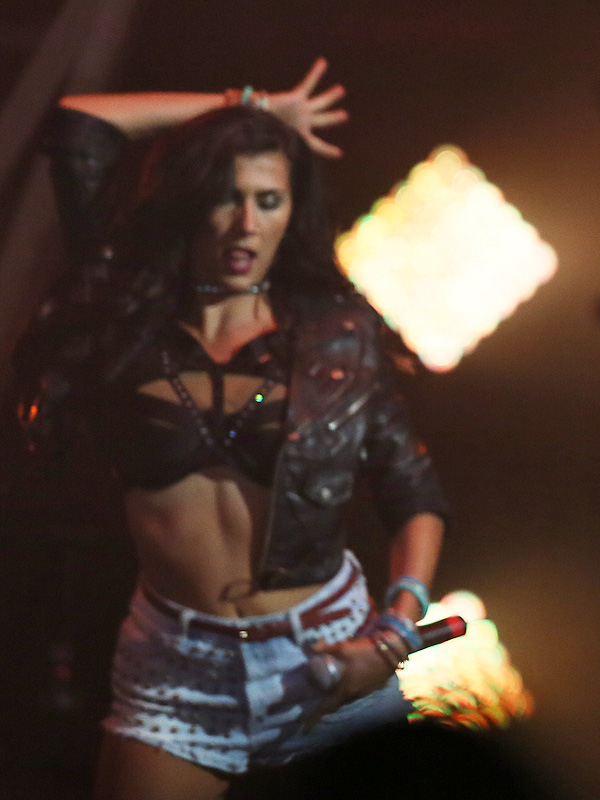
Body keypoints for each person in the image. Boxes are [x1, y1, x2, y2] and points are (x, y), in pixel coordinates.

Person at [14, 60, 449, 799]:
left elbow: (414, 494)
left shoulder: (336, 334)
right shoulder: (124, 315)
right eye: (226, 197)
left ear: (292, 212)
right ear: (189, 204)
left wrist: (394, 633)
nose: (247, 223)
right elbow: (80, 124)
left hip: (329, 650)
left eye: (268, 200)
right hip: (178, 672)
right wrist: (254, 107)